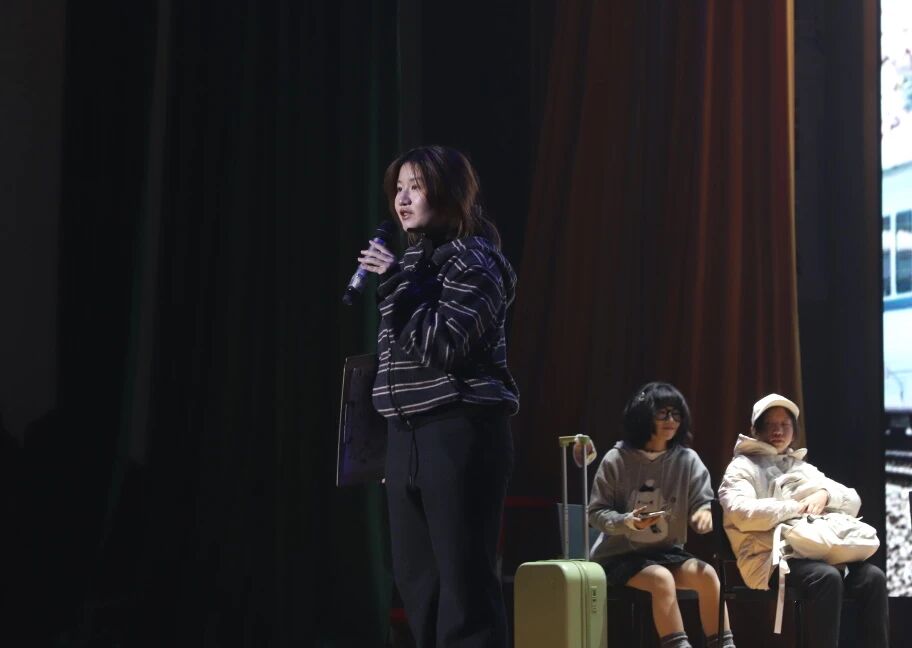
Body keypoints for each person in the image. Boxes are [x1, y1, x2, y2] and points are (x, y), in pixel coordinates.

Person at [356, 145, 518, 647]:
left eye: (417, 187)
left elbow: (442, 347)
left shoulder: (476, 262)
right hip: (405, 438)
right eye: (398, 189)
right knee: (417, 586)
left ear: (448, 193)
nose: (402, 200)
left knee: (464, 589)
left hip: (459, 431)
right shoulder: (409, 265)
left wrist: (395, 285)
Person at [717, 393, 888, 648]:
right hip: (769, 558)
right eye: (770, 424)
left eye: (784, 424)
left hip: (816, 551)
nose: (778, 431)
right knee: (826, 578)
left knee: (873, 577)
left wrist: (825, 494)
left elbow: (853, 501)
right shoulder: (741, 467)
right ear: (755, 429)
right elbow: (741, 512)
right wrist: (796, 508)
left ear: (794, 431)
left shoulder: (801, 467)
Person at [588, 382, 735, 648]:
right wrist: (627, 521)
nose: (671, 420)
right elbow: (596, 512)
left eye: (676, 414)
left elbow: (702, 502)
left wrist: (703, 514)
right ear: (643, 415)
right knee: (661, 578)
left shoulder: (687, 460)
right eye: (662, 413)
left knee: (707, 575)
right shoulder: (616, 458)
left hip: (666, 553)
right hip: (618, 556)